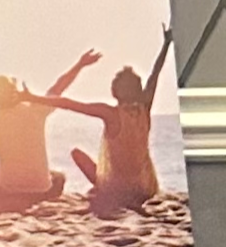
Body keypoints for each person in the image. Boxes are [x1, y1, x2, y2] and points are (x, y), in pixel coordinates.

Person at [20, 28, 175, 215]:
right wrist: (166, 45)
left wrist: (32, 98)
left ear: (115, 91)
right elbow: (154, 75)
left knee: (77, 154)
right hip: (145, 188)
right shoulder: (144, 107)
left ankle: (101, 188)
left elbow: (68, 104)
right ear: (136, 89)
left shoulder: (110, 113)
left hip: (118, 190)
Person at [0, 50, 100, 207]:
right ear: (14, 92)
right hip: (43, 191)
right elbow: (59, 87)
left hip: (7, 190)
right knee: (59, 177)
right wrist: (79, 65)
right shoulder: (36, 109)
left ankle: (7, 190)